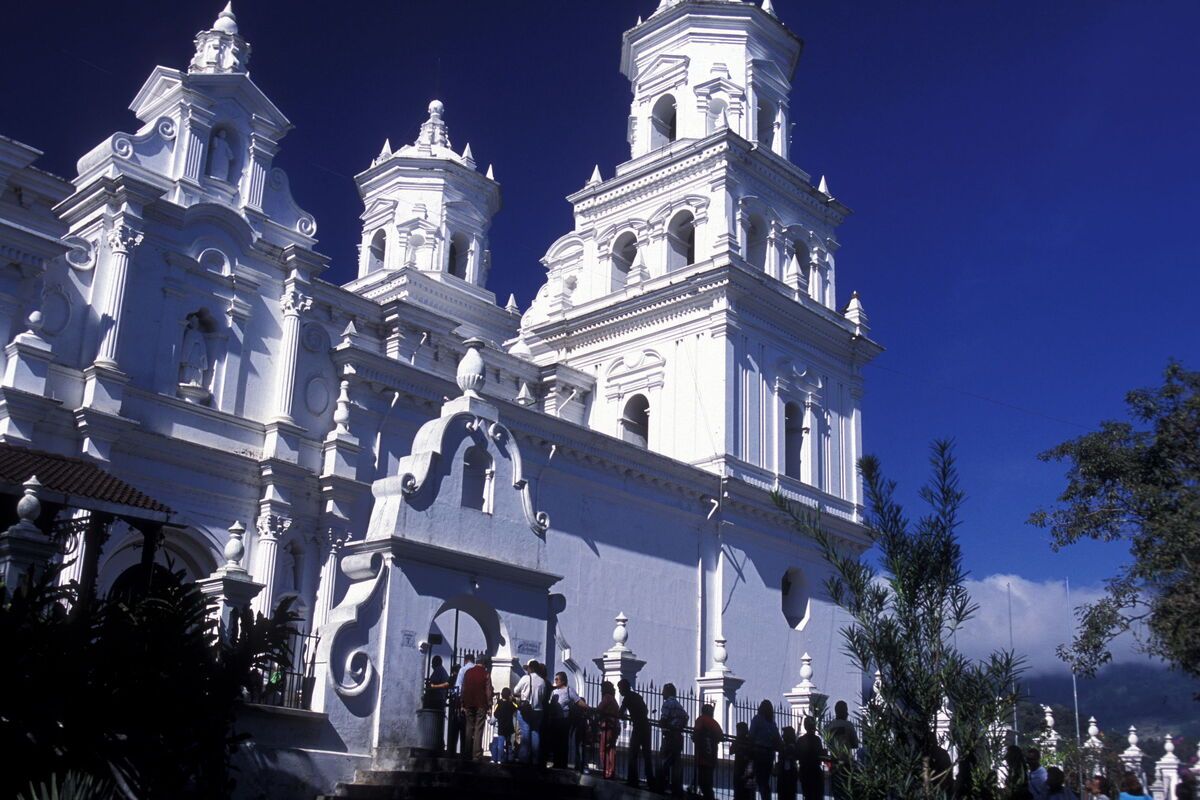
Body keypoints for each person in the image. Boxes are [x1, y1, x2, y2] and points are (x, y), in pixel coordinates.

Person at [618, 678, 655, 789]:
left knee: (633, 754)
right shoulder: (637, 696)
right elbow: (645, 710)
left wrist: (628, 717)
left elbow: (620, 713)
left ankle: (633, 780)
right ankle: (651, 782)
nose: (619, 691)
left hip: (638, 727)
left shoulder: (627, 699)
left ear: (624, 688)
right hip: (646, 726)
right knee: (647, 755)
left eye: (620, 689)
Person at [658, 683, 690, 797]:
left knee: (664, 760)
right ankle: (677, 787)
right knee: (676, 762)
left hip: (670, 736)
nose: (662, 693)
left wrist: (664, 725)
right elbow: (686, 717)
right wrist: (679, 726)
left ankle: (662, 784)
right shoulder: (678, 704)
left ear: (668, 692)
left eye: (664, 691)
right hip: (678, 736)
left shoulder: (667, 704)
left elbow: (664, 719)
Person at [548, 671, 583, 769]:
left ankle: (563, 763)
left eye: (557, 679)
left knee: (563, 742)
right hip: (555, 719)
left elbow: (578, 701)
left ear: (563, 680)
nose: (555, 681)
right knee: (555, 742)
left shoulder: (569, 690)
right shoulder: (554, 692)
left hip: (564, 720)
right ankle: (556, 762)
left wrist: (587, 707)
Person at [825, 700, 860, 800]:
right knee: (847, 792)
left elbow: (828, 743)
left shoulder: (829, 726)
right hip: (845, 763)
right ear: (844, 711)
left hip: (834, 763)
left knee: (836, 793)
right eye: (846, 710)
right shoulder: (848, 725)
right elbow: (855, 744)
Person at [513, 659, 545, 764]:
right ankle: (535, 759)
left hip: (526, 709)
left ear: (530, 668)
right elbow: (543, 696)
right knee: (535, 733)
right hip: (538, 710)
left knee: (525, 733)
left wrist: (523, 694)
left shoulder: (525, 678)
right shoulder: (542, 681)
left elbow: (515, 691)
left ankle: (524, 758)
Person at [749, 699, 782, 800]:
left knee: (755, 778)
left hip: (758, 753)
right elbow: (777, 738)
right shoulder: (772, 724)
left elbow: (751, 735)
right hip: (769, 754)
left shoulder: (757, 719)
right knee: (764, 780)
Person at [460, 654, 491, 760]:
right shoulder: (485, 674)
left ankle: (467, 752)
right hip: (481, 703)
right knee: (479, 729)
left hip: (468, 703)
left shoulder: (468, 672)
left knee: (469, 727)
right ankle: (476, 754)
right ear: (484, 663)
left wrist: (462, 702)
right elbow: (488, 690)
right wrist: (490, 704)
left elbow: (463, 688)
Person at [692, 703, 723, 800]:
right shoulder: (714, 723)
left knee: (702, 781)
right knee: (708, 782)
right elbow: (720, 736)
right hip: (712, 755)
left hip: (702, 754)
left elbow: (696, 734)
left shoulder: (701, 720)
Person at [424, 655, 451, 754]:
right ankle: (439, 742)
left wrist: (432, 686)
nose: (431, 665)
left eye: (432, 663)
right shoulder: (441, 670)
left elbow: (436, 683)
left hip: (437, 699)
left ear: (435, 663)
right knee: (438, 722)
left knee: (435, 722)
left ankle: (437, 743)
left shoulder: (439, 670)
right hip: (440, 699)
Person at [596, 681, 621, 780]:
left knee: (603, 750)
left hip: (607, 726)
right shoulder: (614, 700)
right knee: (611, 749)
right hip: (615, 726)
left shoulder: (607, 697)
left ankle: (606, 771)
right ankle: (611, 771)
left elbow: (599, 709)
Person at [795, 717, 824, 800]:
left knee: (808, 794)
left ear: (805, 726)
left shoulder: (800, 740)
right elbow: (820, 754)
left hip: (804, 770)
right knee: (817, 795)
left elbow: (797, 755)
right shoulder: (817, 740)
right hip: (815, 769)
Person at [492, 687, 517, 763]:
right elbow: (516, 707)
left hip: (501, 727)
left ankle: (500, 759)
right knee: (509, 744)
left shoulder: (499, 703)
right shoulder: (510, 704)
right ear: (509, 695)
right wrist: (513, 700)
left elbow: (495, 714)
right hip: (509, 727)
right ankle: (509, 758)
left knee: (500, 744)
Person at [732, 721, 756, 800]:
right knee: (739, 790)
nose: (739, 732)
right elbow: (731, 750)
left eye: (740, 730)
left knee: (747, 790)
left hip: (747, 768)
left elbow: (752, 755)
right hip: (739, 769)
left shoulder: (749, 740)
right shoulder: (738, 740)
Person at [445, 663, 464, 757]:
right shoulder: (463, 679)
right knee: (462, 731)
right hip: (462, 707)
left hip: (454, 706)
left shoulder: (453, 678)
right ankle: (463, 752)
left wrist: (433, 686)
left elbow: (447, 684)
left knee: (453, 730)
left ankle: (451, 750)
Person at [777, 724, 799, 800]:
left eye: (785, 733)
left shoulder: (791, 746)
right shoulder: (786, 745)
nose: (783, 736)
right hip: (785, 774)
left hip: (788, 774)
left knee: (787, 794)